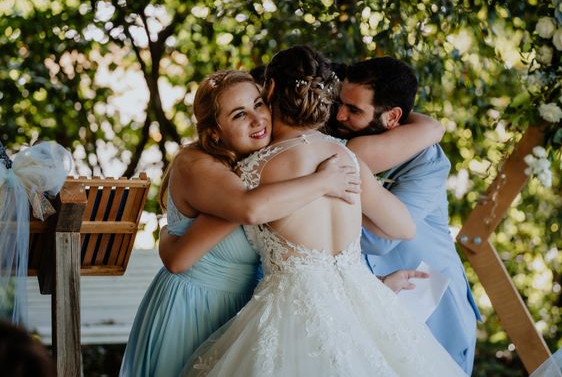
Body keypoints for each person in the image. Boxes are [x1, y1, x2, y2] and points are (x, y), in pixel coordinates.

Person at [181, 45, 465, 376]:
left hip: (290, 313)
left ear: (269, 89)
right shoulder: (348, 158)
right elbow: (403, 227)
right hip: (359, 305)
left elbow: (199, 245)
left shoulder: (251, 172)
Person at [119, 70, 361, 377]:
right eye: (238, 114)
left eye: (258, 104)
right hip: (194, 308)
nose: (257, 119)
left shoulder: (252, 164)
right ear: (216, 132)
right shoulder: (205, 167)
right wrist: (322, 181)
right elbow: (188, 253)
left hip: (240, 306)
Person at [331, 56, 482, 375]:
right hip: (369, 301)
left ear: (392, 117)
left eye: (354, 110)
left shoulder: (426, 159)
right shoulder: (335, 139)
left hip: (430, 302)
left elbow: (378, 240)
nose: (340, 114)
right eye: (340, 104)